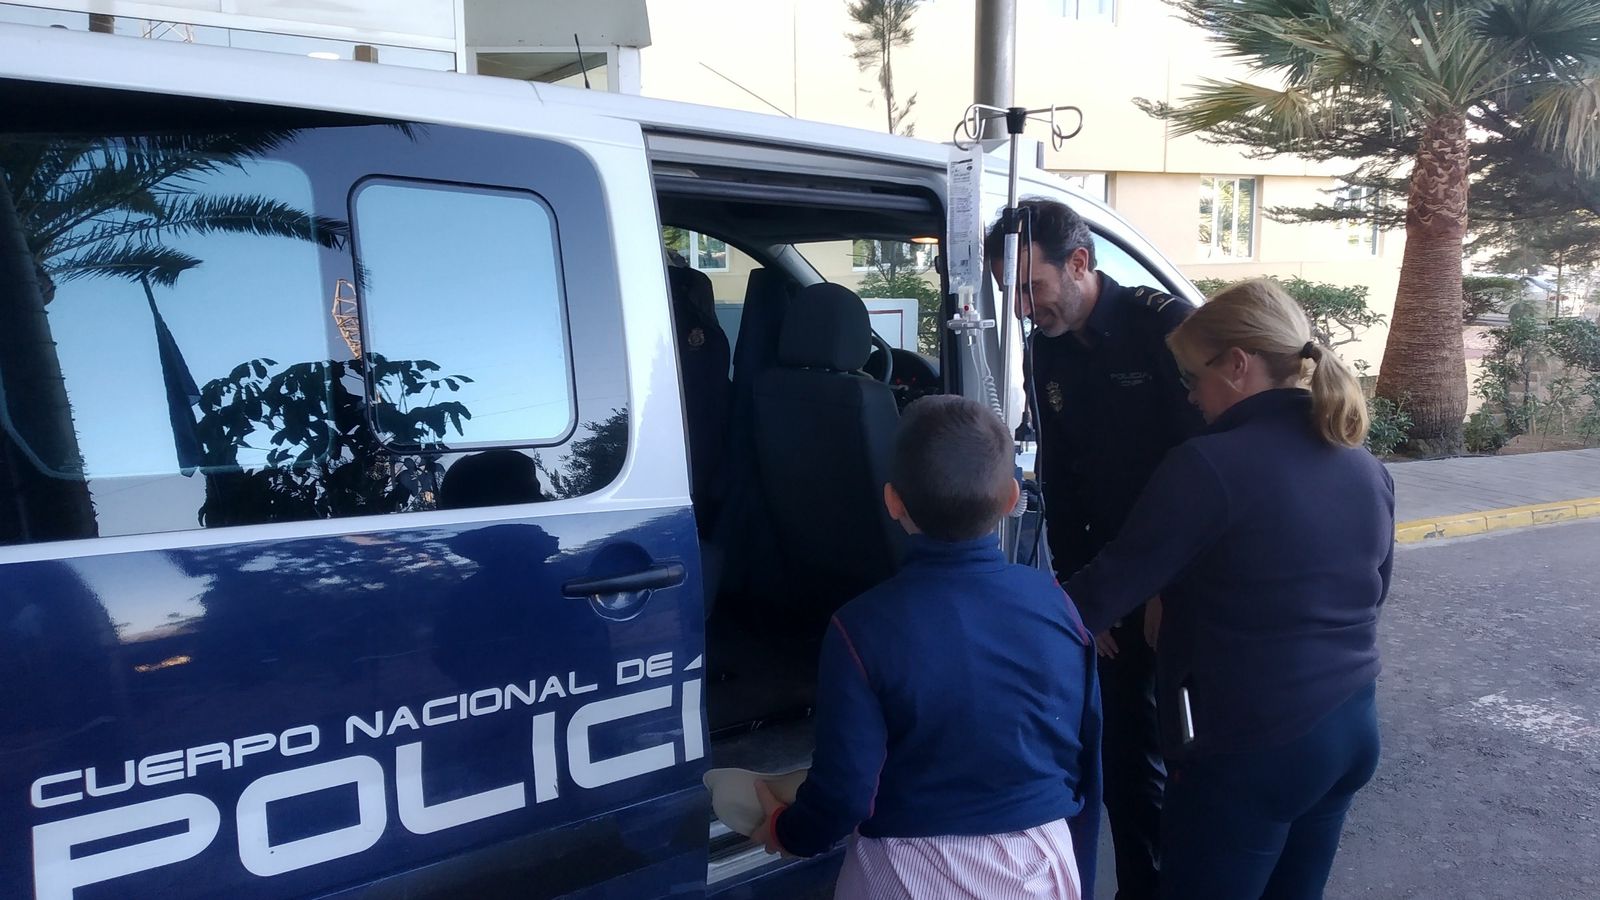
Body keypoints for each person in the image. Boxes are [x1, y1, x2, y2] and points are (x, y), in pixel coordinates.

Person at [1065, 278, 1395, 899]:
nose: (1189, 397)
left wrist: (992, 615)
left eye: (1193, 377)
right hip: (1349, 729)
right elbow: (1371, 592)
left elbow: (1099, 594)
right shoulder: (1362, 463)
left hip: (1251, 744)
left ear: (1238, 366)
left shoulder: (1209, 465)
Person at [750, 394, 1102, 900]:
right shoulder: (1056, 604)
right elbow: (1084, 751)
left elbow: (846, 790)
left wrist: (789, 832)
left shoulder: (860, 627)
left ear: (893, 502)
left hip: (911, 871)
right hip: (1040, 862)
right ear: (1010, 499)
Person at [988, 197, 1202, 899]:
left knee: (1193, 758)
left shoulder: (1162, 327)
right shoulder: (1044, 345)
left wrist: (1168, 587)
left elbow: (1205, 475)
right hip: (1108, 581)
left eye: (1033, 287)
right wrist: (1087, 596)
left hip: (1178, 581)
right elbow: (1064, 479)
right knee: (1123, 759)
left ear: (1079, 264)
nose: (1024, 307)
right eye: (1011, 293)